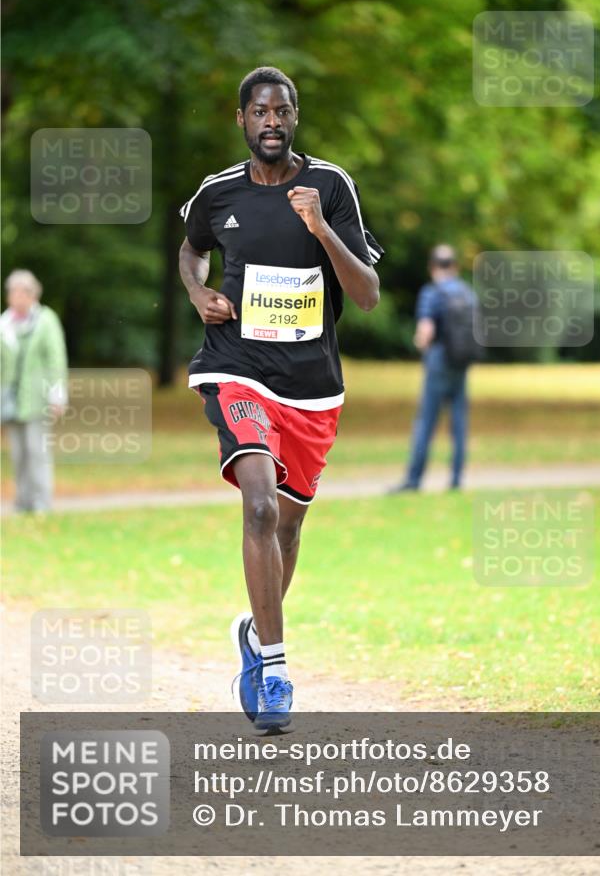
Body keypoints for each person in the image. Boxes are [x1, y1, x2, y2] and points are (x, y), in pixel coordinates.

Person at [178, 66, 383, 734]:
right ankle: (274, 667)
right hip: (236, 367)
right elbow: (190, 248)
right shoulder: (218, 192)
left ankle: (253, 631)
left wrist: (322, 229)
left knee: (288, 525)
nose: (272, 122)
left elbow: (366, 294)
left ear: (294, 117)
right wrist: (196, 292)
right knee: (259, 504)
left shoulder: (329, 185)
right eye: (259, 112)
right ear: (241, 120)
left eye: (282, 111)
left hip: (312, 384)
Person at [390, 245, 478, 494]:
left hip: (438, 360)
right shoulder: (467, 292)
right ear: (455, 266)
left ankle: (414, 479)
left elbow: (426, 330)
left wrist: (419, 344)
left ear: (432, 267)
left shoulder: (432, 292)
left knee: (426, 421)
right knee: (459, 422)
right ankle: (457, 479)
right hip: (460, 363)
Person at [0, 270, 68, 513]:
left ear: (31, 295)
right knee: (18, 455)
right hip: (10, 400)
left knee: (36, 453)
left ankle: (41, 503)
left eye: (19, 293)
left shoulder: (45, 320)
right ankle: (22, 502)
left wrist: (57, 394)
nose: (14, 299)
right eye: (11, 293)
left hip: (38, 399)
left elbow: (55, 360)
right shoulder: (4, 323)